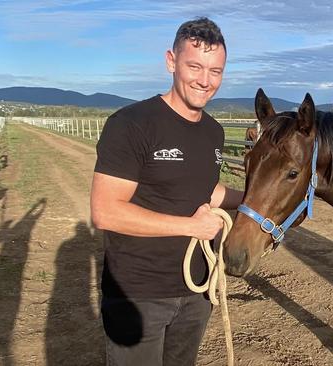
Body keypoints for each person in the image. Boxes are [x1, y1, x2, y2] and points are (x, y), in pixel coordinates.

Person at [90, 17, 244, 365]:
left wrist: (253, 202)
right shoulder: (132, 124)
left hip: (196, 292)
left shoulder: (213, 132)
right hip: (139, 294)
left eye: (216, 71)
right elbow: (106, 211)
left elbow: (206, 190)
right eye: (195, 66)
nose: (205, 81)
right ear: (171, 61)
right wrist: (190, 227)